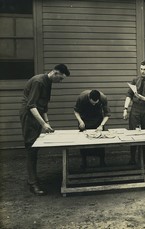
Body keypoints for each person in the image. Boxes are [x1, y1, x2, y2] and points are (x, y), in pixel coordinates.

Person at [19, 64, 70, 195]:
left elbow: (43, 105)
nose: (60, 81)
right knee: (31, 147)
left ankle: (32, 177)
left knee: (35, 148)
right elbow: (31, 105)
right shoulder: (38, 81)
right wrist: (43, 124)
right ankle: (33, 183)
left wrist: (47, 122)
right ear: (55, 73)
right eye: (61, 78)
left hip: (37, 115)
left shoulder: (48, 82)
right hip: (29, 115)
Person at [123, 61, 145, 165]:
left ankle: (143, 159)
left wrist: (142, 97)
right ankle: (132, 158)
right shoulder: (135, 80)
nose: (142, 71)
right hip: (135, 109)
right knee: (133, 134)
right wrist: (125, 108)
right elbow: (129, 95)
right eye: (141, 69)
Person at [74, 90, 111, 169]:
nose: (94, 104)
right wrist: (80, 121)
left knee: (100, 142)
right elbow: (76, 111)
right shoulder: (82, 97)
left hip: (97, 120)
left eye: (96, 103)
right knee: (83, 142)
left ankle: (102, 162)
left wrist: (101, 125)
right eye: (92, 102)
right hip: (84, 120)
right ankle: (84, 162)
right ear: (89, 98)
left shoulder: (103, 98)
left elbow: (107, 114)